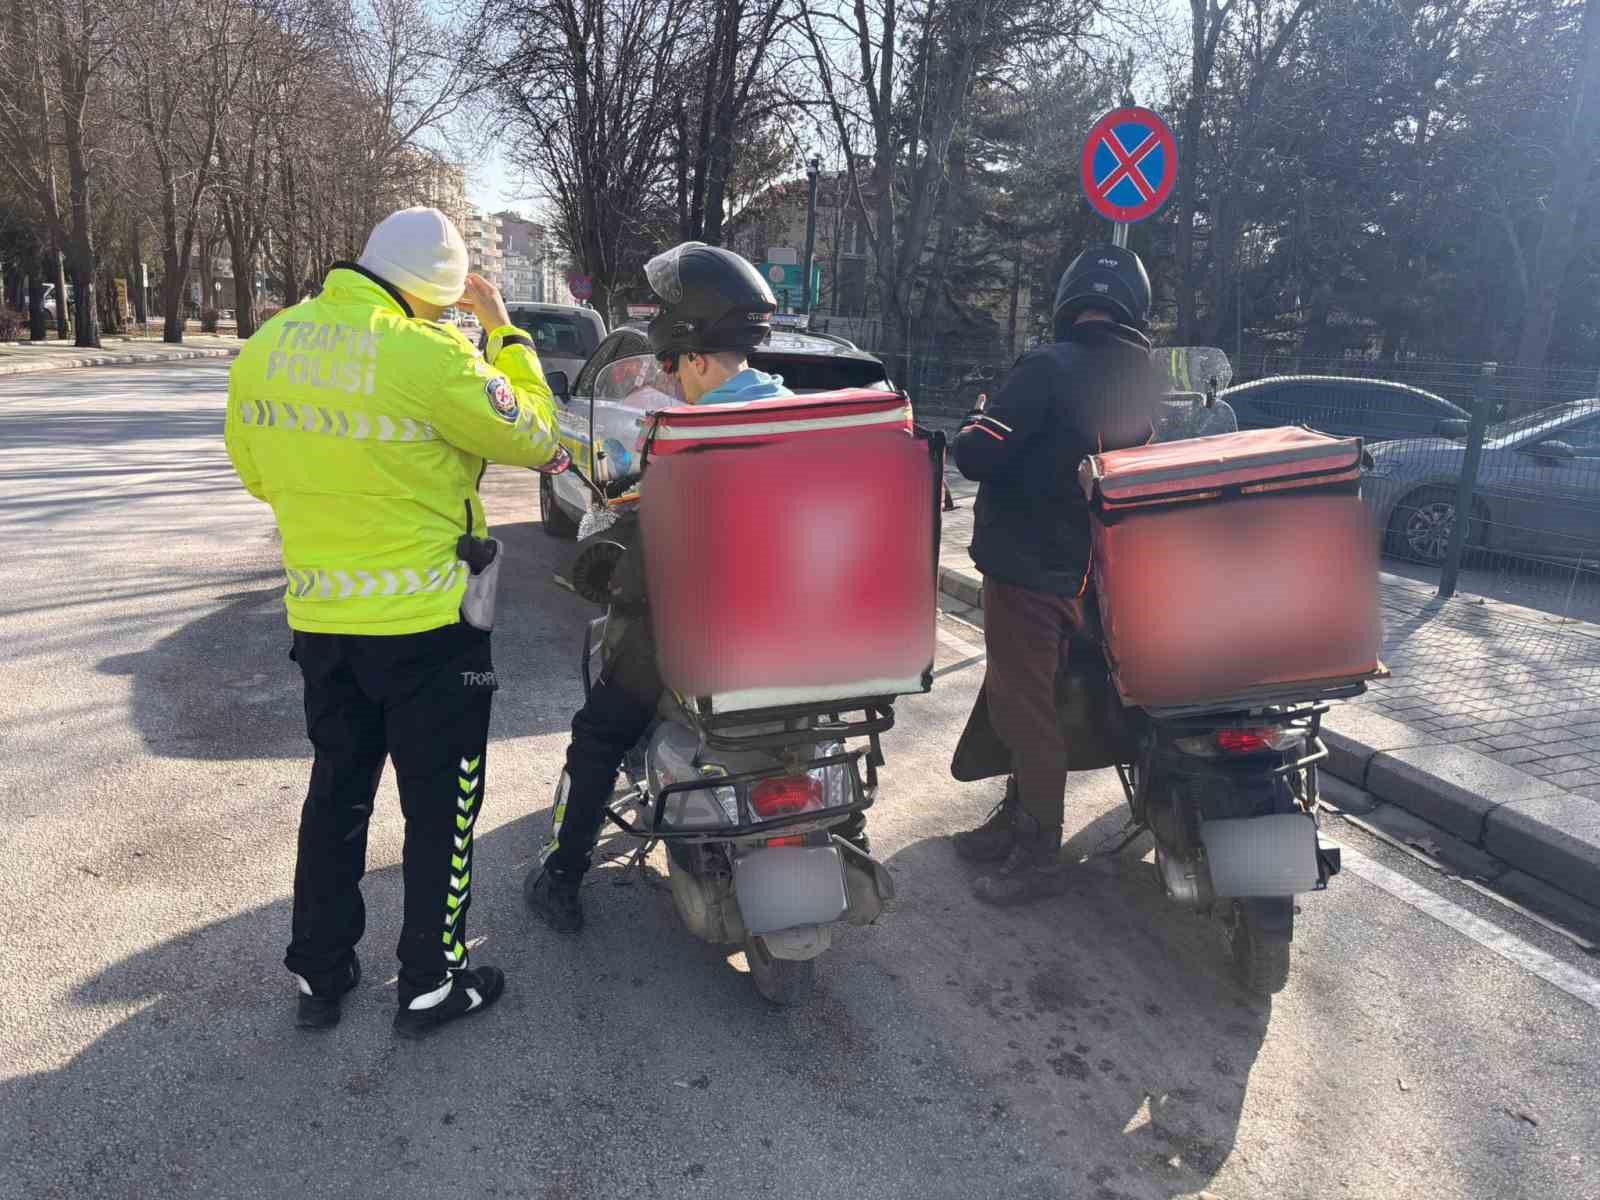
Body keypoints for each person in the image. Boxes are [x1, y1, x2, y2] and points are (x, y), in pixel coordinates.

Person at [224, 206, 567, 1036]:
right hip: (429, 628)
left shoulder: (270, 345)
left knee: (338, 793)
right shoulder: (428, 353)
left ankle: (319, 970)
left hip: (324, 620)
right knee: (441, 807)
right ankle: (429, 982)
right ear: (437, 294)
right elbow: (535, 435)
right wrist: (504, 333)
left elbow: (257, 475)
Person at [524, 242, 796, 934]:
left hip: (703, 641)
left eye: (671, 363)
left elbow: (655, 555)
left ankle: (562, 876)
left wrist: (605, 571)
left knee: (599, 732)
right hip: (799, 638)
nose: (669, 378)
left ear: (698, 358)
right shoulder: (794, 411)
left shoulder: (690, 435)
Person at [947, 244, 1164, 906]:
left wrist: (974, 416)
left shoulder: (1046, 366)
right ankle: (1016, 818)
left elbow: (979, 454)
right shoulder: (1142, 381)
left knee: (1026, 707)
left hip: (1029, 569)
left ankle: (1038, 847)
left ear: (1071, 300)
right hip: (1099, 574)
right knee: (1037, 696)